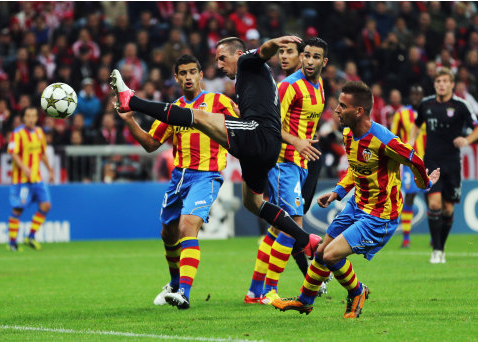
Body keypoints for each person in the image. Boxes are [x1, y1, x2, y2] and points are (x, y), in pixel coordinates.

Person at [110, 36, 322, 305]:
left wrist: (276, 41)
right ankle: (307, 241)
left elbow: (264, 51)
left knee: (196, 117)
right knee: (253, 202)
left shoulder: (246, 64)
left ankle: (133, 100)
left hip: (252, 139)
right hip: (254, 147)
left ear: (237, 54)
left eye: (222, 58)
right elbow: (152, 144)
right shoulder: (249, 78)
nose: (219, 65)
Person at [272, 81, 440, 318]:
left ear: (359, 110)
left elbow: (415, 160)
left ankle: (357, 291)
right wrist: (338, 192)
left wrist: (426, 183)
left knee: (331, 255)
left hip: (379, 215)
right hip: (356, 204)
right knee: (320, 252)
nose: (337, 110)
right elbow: (356, 168)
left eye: (342, 106)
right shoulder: (349, 133)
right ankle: (305, 301)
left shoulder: (384, 140)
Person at [116, 55, 237, 310]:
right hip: (179, 178)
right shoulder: (173, 110)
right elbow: (151, 144)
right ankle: (173, 284)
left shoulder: (219, 102)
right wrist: (130, 121)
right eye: (183, 73)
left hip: (207, 175)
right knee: (168, 233)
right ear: (176, 77)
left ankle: (184, 292)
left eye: (193, 71)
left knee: (187, 225)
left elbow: (244, 125)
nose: (189, 77)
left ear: (201, 74)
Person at [246, 37, 328, 305]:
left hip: (301, 164)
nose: (310, 61)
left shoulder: (319, 87)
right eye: (306, 55)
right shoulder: (288, 86)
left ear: (323, 62)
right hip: (283, 162)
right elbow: (269, 125)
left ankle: (254, 291)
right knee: (293, 225)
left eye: (316, 57)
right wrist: (296, 142)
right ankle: (270, 291)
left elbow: (305, 125)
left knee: (276, 231)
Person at [409, 68, 478, 264]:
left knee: (448, 209)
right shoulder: (426, 104)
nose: (441, 84)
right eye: (438, 81)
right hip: (431, 161)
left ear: (451, 84)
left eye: (444, 81)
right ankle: (437, 250)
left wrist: (467, 140)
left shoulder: (461, 105)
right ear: (435, 85)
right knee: (435, 204)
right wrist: (410, 142)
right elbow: (417, 124)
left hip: (452, 163)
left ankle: (441, 247)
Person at [7, 106, 54, 251]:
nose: (31, 119)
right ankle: (12, 243)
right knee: (18, 209)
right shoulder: (17, 133)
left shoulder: (39, 132)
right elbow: (13, 153)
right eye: (28, 116)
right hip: (21, 179)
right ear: (23, 118)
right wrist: (23, 167)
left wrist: (50, 170)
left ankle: (30, 237)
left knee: (46, 206)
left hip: (37, 178)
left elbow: (42, 152)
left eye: (34, 115)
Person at [390, 85, 426, 248]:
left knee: (432, 197)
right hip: (409, 161)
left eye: (418, 93)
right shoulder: (401, 114)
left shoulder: (430, 111)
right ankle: (406, 237)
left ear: (423, 95)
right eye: (413, 93)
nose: (416, 96)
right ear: (409, 96)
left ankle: (435, 238)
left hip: (429, 159)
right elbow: (393, 136)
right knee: (410, 195)